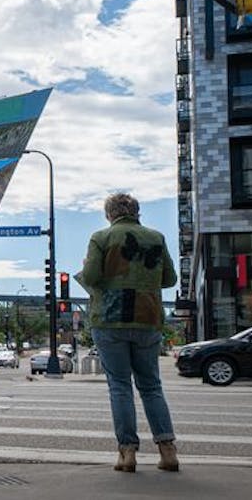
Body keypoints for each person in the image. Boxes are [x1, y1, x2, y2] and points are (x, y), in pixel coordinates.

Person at [77, 192, 180, 474]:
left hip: (110, 319)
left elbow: (91, 277)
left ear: (110, 214)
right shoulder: (156, 237)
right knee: (151, 386)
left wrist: (89, 264)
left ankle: (127, 453)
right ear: (137, 212)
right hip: (147, 318)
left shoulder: (101, 238)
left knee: (120, 386)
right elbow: (170, 279)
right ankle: (167, 450)